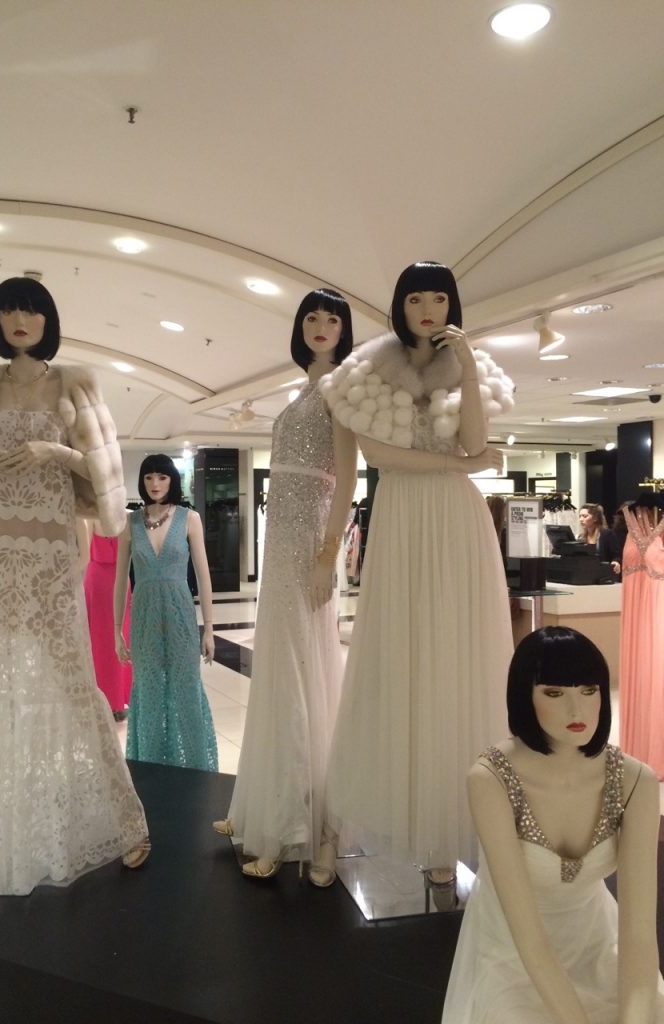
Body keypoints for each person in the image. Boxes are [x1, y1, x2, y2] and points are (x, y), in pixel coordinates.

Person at [0, 277, 149, 895]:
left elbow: (105, 482)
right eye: (7, 310)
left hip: (48, 550)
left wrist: (55, 452)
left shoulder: (75, 384)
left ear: (47, 318)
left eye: (28, 309)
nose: (18, 319)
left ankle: (125, 821)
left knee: (72, 680)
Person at [318, 261, 515, 897]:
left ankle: (448, 832)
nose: (428, 309)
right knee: (401, 659)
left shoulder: (466, 365)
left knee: (458, 661)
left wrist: (470, 367)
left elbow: (476, 441)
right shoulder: (367, 370)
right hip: (404, 518)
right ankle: (386, 822)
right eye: (415, 298)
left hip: (458, 525)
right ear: (399, 306)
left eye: (439, 298)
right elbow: (380, 456)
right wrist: (463, 466)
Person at [442, 626, 664, 1023]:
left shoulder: (635, 782)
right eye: (555, 694)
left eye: (589, 690)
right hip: (513, 953)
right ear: (524, 697)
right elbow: (529, 940)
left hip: (599, 945)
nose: (577, 711)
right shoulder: (491, 780)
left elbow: (639, 936)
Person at [212, 288, 358, 880]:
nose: (321, 326)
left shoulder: (341, 388)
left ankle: (298, 827)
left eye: (332, 319)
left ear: (344, 330)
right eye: (312, 318)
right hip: (282, 547)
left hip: (308, 547)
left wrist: (328, 552)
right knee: (280, 670)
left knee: (300, 671)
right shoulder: (304, 389)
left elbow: (347, 477)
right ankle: (262, 806)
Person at [114, 454, 218, 770]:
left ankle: (195, 768)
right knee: (148, 690)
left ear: (172, 480)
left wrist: (209, 628)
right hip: (144, 618)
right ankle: (150, 767)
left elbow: (203, 575)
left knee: (186, 687)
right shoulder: (130, 523)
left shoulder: (189, 518)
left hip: (180, 617)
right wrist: (117, 630)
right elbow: (120, 579)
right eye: (148, 477)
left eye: (161, 477)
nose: (155, 484)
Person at [619, 497, 664, 779]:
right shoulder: (630, 520)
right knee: (645, 673)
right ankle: (641, 749)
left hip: (658, 612)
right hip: (639, 614)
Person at [80, 518, 133, 720]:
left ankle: (110, 700)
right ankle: (111, 700)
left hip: (107, 581)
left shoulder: (93, 520)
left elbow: (84, 558)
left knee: (107, 641)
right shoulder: (123, 519)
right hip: (108, 583)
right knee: (108, 641)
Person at [577, 502, 621, 573]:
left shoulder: (607, 534)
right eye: (580, 516)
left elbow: (616, 555)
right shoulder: (581, 537)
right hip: (586, 573)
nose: (581, 519)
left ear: (595, 518)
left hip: (603, 573)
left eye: (585, 516)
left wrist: (616, 562)